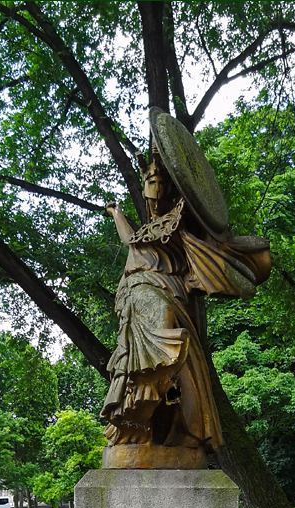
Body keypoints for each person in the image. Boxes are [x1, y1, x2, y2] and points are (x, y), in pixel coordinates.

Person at [102, 150, 271, 458]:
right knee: (140, 358)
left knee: (172, 353)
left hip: (167, 291)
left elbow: (212, 238)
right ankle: (135, 423)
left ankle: (183, 424)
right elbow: (129, 239)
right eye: (149, 181)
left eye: (158, 181)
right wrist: (116, 213)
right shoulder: (145, 233)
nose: (152, 189)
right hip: (136, 296)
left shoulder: (179, 220)